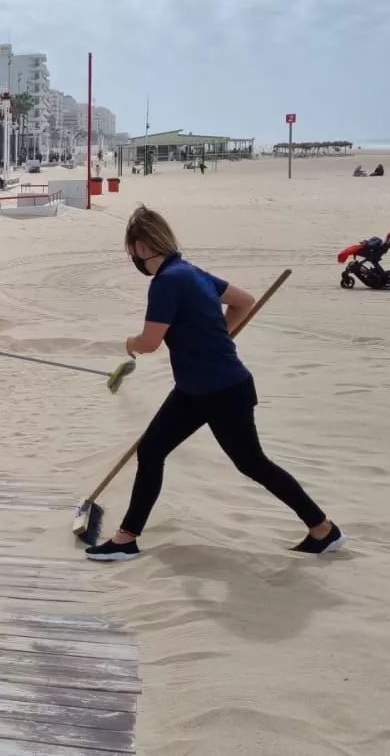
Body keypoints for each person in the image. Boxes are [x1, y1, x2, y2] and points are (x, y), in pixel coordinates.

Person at [84, 206, 343, 561]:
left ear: (141, 247)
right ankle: (126, 538)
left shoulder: (166, 282)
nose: (134, 258)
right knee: (152, 450)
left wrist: (131, 343)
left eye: (132, 251)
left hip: (222, 390)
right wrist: (218, 336)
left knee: (252, 463)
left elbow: (150, 342)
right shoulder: (190, 271)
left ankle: (323, 528)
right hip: (193, 390)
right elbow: (244, 302)